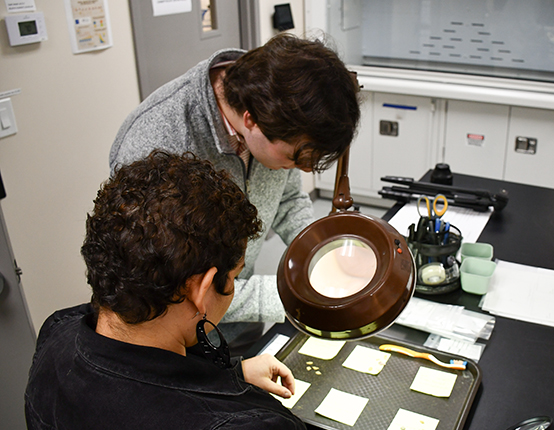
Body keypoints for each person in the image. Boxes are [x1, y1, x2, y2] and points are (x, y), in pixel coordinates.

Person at [25, 151, 306, 429]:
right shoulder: (248, 424)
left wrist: (234, 375)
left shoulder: (56, 333)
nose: (231, 287)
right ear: (201, 289)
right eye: (234, 277)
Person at [109, 33, 361, 330]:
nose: (301, 170)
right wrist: (300, 294)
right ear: (251, 120)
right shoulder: (157, 142)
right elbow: (172, 289)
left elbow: (288, 199)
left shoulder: (282, 103)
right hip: (178, 337)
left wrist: (322, 252)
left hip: (241, 317)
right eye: (295, 158)